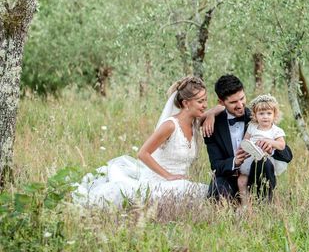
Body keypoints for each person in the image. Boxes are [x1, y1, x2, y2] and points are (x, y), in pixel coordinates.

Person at [73, 76, 223, 207]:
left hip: (180, 182)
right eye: (200, 101)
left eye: (205, 100)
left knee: (207, 192)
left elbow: (222, 107)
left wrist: (211, 115)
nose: (205, 105)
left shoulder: (196, 122)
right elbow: (142, 153)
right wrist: (168, 176)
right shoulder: (170, 125)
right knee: (194, 193)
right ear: (185, 103)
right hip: (159, 182)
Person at [203, 74, 293, 202]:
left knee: (265, 163)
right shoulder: (212, 126)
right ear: (221, 102)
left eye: (242, 98)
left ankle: (263, 205)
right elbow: (216, 165)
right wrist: (234, 162)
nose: (240, 105)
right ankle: (232, 207)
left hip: (255, 177)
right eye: (233, 102)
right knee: (217, 192)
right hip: (229, 177)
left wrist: (271, 148)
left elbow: (287, 155)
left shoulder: (259, 116)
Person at [237, 94, 288, 205]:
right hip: (250, 158)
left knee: (265, 179)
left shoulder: (275, 130)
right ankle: (245, 205)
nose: (265, 117)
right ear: (255, 115)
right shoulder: (252, 126)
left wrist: (269, 142)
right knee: (241, 180)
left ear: (274, 115)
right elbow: (245, 140)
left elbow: (282, 145)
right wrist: (245, 148)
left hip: (267, 158)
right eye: (261, 113)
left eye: (269, 113)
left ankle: (267, 201)